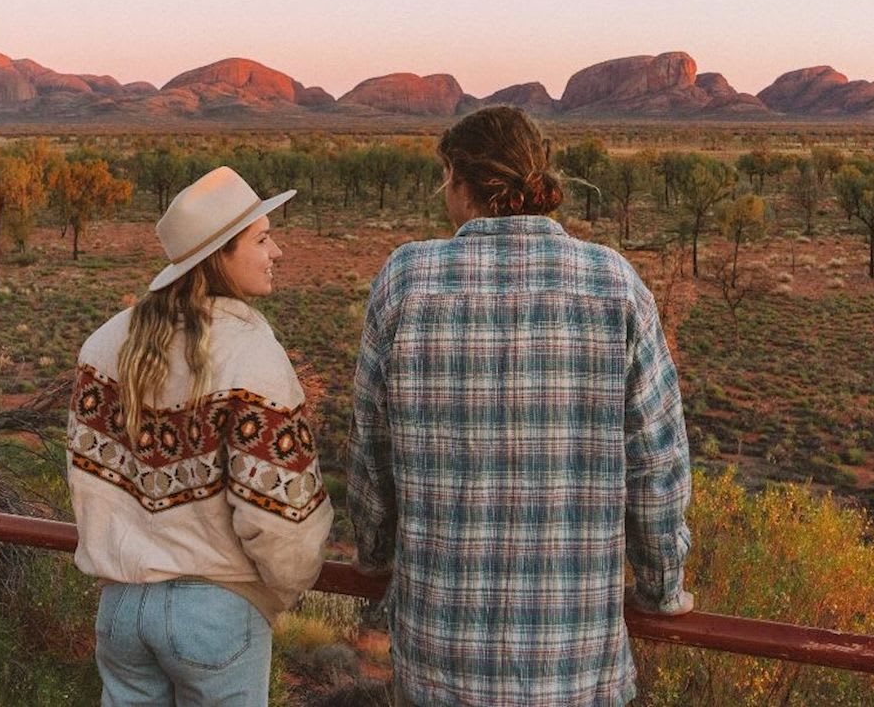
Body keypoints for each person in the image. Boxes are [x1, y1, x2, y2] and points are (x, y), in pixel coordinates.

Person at [347, 106, 693, 707]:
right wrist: (662, 587)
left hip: (439, 655)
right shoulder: (614, 281)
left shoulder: (407, 278)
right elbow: (657, 463)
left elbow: (370, 449)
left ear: (460, 181)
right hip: (574, 660)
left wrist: (373, 555)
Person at [68, 166, 333, 707]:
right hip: (217, 611)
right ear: (220, 256)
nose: (276, 251)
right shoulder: (251, 356)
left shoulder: (105, 344)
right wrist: (277, 592)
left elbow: (87, 479)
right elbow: (280, 517)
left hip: (121, 607)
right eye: (262, 239)